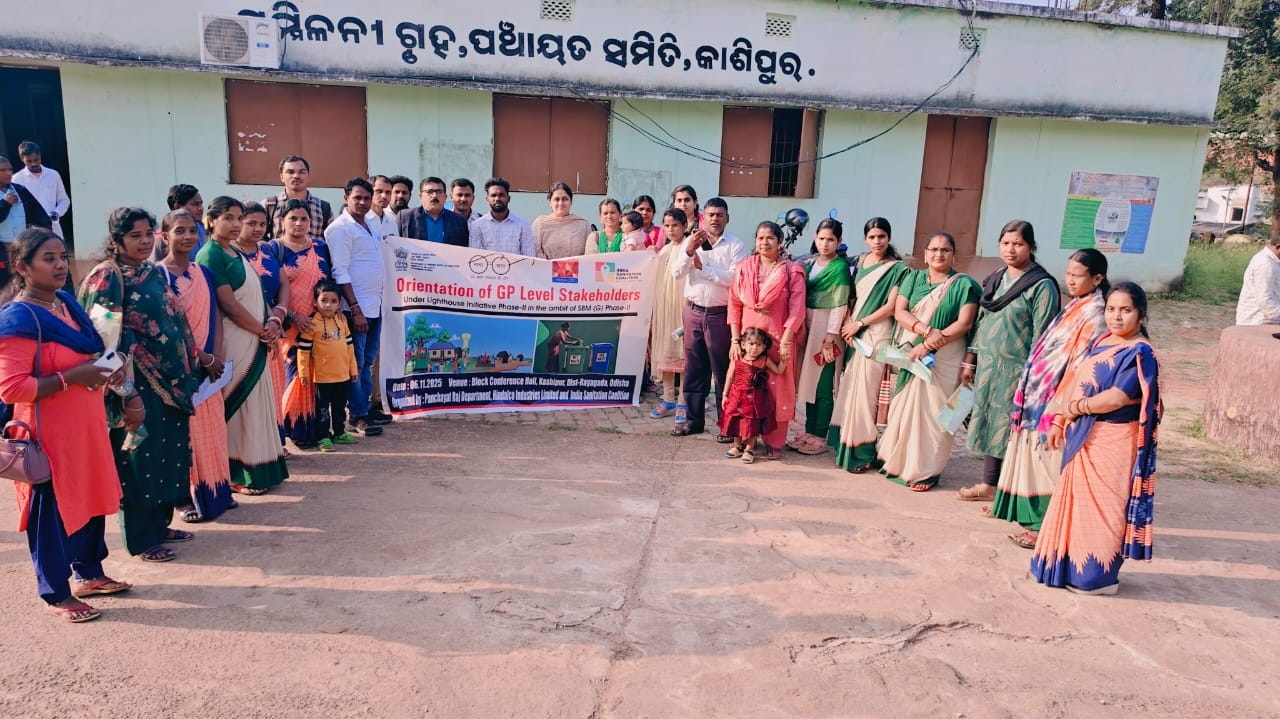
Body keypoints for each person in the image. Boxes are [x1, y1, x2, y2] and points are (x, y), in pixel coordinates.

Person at [0, 228, 126, 623]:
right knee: (51, 510)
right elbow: (12, 388)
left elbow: (89, 353)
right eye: (47, 259)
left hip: (86, 425)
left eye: (60, 257)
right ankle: (55, 592)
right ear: (22, 267)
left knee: (90, 496)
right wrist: (76, 377)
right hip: (49, 432)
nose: (58, 265)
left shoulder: (67, 304)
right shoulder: (18, 318)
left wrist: (109, 370)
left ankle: (89, 571)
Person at [80, 208, 201, 561]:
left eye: (149, 233)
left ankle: (160, 525)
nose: (145, 241)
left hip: (169, 383)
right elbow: (101, 341)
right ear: (116, 241)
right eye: (135, 236)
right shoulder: (108, 277)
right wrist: (125, 392)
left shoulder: (150, 270)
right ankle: (141, 539)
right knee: (139, 459)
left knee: (167, 454)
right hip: (135, 384)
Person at [1032, 282, 1161, 595]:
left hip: (1113, 438)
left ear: (1141, 315)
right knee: (1075, 502)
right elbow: (1076, 382)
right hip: (1082, 433)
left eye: (1126, 310)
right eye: (1112, 309)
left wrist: (1075, 410)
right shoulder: (1104, 340)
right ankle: (1063, 567)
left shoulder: (1140, 352)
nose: (1117, 317)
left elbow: (1116, 397)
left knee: (1104, 507)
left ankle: (1095, 577)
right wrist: (1061, 420)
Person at [990, 249, 1109, 548]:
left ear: (1097, 278)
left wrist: (1060, 406)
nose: (1070, 280)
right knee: (1033, 460)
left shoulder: (1095, 313)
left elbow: (1079, 363)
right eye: (1068, 273)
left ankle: (1045, 526)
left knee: (1046, 465)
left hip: (1054, 401)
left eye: (1077, 275)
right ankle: (1031, 519)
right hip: (1038, 395)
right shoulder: (1076, 305)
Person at [955, 220, 1061, 503]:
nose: (1011, 249)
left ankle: (1008, 489)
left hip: (1018, 371)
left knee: (1011, 429)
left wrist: (1033, 378)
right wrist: (970, 358)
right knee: (991, 423)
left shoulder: (1041, 286)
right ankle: (990, 484)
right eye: (1006, 243)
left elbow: (1044, 336)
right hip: (989, 367)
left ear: (1031, 247)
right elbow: (981, 321)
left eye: (1018, 244)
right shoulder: (996, 278)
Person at [196, 197, 290, 494]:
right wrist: (264, 330)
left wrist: (273, 325)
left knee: (259, 404)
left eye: (239, 218)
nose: (236, 224)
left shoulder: (234, 251)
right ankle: (238, 474)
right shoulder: (210, 255)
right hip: (234, 337)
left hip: (256, 334)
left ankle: (262, 468)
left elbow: (257, 295)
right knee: (240, 404)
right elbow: (229, 305)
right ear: (211, 220)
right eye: (228, 218)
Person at [876, 231, 981, 491]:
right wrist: (925, 332)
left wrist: (931, 343)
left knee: (937, 415)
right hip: (913, 353)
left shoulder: (964, 284)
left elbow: (965, 323)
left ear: (953, 254)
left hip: (947, 356)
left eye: (945, 250)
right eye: (933, 249)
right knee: (905, 408)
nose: (938, 254)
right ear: (925, 254)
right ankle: (900, 463)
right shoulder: (913, 278)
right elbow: (900, 311)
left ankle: (927, 471)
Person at [157, 210, 234, 523]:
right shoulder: (157, 276)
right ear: (165, 236)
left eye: (192, 230)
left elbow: (214, 314)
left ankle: (216, 489)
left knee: (213, 428)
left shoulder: (203, 273)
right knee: (183, 436)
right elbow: (164, 326)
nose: (188, 237)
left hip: (208, 369)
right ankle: (184, 498)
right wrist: (199, 357)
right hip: (177, 370)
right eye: (180, 231)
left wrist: (213, 356)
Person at [828, 218, 909, 472]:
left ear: (889, 238)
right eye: (872, 237)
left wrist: (860, 323)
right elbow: (853, 296)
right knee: (851, 389)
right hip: (855, 332)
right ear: (865, 239)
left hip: (876, 334)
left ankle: (862, 451)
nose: (877, 242)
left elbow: (891, 306)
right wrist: (850, 322)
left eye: (882, 237)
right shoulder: (860, 261)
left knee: (867, 394)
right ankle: (846, 447)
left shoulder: (897, 269)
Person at [727, 221, 807, 459]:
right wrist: (734, 340)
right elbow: (734, 304)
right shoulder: (744, 268)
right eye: (760, 238)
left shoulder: (791, 271)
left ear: (779, 242)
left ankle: (774, 441)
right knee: (745, 389)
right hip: (747, 340)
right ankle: (743, 438)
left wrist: (786, 340)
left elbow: (797, 309)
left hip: (778, 338)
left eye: (770, 238)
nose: (765, 242)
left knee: (776, 388)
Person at [670, 198, 747, 438]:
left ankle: (727, 424)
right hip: (693, 312)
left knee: (723, 372)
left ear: (727, 217)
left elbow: (735, 280)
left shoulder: (736, 245)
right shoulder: (691, 241)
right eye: (711, 214)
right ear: (704, 217)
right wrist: (690, 251)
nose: (715, 219)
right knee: (693, 369)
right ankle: (693, 422)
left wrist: (706, 269)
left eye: (720, 215)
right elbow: (676, 273)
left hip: (720, 315)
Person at [269, 198, 333, 448]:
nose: (298, 223)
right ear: (282, 221)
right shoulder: (274, 249)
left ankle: (310, 431)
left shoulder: (320, 247)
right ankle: (286, 431)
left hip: (319, 325)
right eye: (292, 218)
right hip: (290, 327)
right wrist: (293, 315)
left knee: (316, 379)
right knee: (295, 377)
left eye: (304, 218)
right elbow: (270, 290)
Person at [325, 178, 385, 437]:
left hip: (376, 305)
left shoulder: (371, 223)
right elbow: (340, 271)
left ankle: (364, 409)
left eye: (366, 198)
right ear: (346, 197)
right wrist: (355, 308)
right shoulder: (340, 228)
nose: (362, 202)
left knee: (368, 361)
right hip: (356, 308)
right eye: (357, 197)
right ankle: (356, 416)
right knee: (356, 363)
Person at [788, 219, 852, 455]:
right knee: (808, 381)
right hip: (808, 328)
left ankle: (820, 435)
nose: (825, 244)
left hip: (827, 331)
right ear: (815, 238)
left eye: (831, 240)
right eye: (822, 238)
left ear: (839, 242)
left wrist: (830, 337)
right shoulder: (809, 264)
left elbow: (840, 304)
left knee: (823, 385)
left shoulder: (839, 268)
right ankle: (808, 430)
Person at [298, 280, 360, 452]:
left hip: (342, 375)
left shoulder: (342, 321)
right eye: (324, 300)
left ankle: (339, 432)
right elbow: (303, 351)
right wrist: (304, 374)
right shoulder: (311, 324)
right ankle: (323, 437)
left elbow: (349, 347)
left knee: (340, 407)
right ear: (315, 302)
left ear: (339, 304)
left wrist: (353, 370)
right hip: (322, 377)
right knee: (323, 409)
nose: (328, 305)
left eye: (333, 301)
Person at [720, 328, 785, 464]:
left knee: (753, 423)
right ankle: (738, 445)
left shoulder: (764, 360)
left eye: (759, 344)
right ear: (743, 344)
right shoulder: (737, 359)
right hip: (736, 396)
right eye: (751, 344)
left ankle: (749, 449)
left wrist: (784, 361)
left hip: (756, 399)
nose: (754, 348)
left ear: (764, 346)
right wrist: (725, 394)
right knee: (735, 421)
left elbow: (778, 370)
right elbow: (730, 376)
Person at [648, 208, 689, 422]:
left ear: (685, 226)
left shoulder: (688, 247)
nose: (671, 229)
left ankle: (683, 402)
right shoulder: (663, 250)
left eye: (675, 225)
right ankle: (667, 399)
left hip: (681, 308)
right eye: (666, 225)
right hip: (663, 308)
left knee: (682, 355)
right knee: (664, 352)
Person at [0, 155, 52, 288]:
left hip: (22, 247)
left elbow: (40, 216)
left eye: (10, 169)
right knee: (4, 284)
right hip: (2, 250)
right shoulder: (7, 199)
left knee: (25, 280)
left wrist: (44, 238)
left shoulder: (20, 191)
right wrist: (5, 204)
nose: (8, 173)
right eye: (3, 170)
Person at [263, 155, 333, 241]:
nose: (296, 176)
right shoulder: (270, 205)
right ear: (281, 177)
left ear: (308, 176)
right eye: (290, 172)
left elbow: (332, 240)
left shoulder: (323, 207)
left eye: (301, 172)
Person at [13, 141, 70, 239]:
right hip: (31, 231)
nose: (34, 163)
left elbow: (64, 200)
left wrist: (56, 213)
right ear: (22, 159)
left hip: (53, 227)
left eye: (36, 159)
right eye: (29, 161)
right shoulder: (17, 179)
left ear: (40, 155)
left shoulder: (53, 175)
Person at [470, 178, 534, 256]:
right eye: (493, 195)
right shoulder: (477, 225)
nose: (497, 199)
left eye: (501, 195)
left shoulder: (522, 225)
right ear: (487, 199)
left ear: (508, 198)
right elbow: (476, 257)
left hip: (516, 268)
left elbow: (529, 258)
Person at [397, 176, 468, 246]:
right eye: (429, 192)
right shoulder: (405, 217)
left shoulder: (459, 221)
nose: (434, 196)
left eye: (439, 192)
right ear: (420, 196)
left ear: (445, 197)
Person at [532, 182, 591, 259]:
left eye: (565, 199)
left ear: (571, 201)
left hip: (577, 269)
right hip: (546, 269)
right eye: (556, 199)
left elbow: (590, 254)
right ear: (550, 202)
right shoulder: (540, 224)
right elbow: (534, 250)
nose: (561, 203)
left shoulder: (583, 225)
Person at [151, 184, 207, 260]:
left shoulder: (201, 228)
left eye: (201, 203)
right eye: (195, 204)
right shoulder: (163, 236)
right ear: (177, 207)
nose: (201, 208)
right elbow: (155, 267)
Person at [1234, 236, 1280, 325]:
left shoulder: (1273, 261)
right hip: (1257, 322)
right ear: (1278, 247)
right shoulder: (1265, 264)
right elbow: (1265, 301)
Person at [367, 175, 399, 243]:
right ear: (368, 192)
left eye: (388, 192)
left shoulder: (392, 222)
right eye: (379, 191)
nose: (384, 196)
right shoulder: (361, 221)